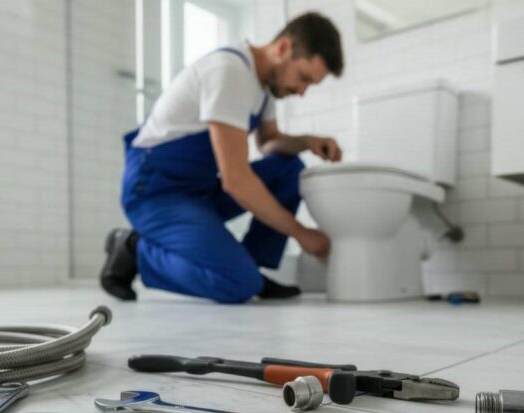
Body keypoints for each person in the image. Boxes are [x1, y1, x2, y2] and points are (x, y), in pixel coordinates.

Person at [100, 12, 344, 303]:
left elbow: (269, 144)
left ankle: (251, 270)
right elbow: (235, 180)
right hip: (156, 192)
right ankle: (134, 249)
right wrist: (302, 234)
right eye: (303, 78)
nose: (302, 92)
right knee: (236, 284)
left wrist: (306, 142)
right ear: (283, 48)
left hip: (199, 190)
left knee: (289, 169)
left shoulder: (265, 88)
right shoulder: (229, 72)